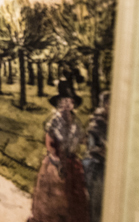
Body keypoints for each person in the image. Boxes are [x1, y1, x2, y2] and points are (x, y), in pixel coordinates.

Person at [28, 81, 89, 222]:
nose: (67, 104)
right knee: (55, 195)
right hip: (56, 161)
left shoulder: (76, 122)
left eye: (70, 101)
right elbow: (49, 140)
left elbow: (81, 138)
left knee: (75, 195)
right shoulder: (55, 120)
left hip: (72, 162)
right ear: (59, 103)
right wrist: (54, 157)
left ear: (73, 104)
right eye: (64, 101)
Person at [83, 91, 110, 222]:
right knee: (96, 204)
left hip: (109, 167)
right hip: (96, 167)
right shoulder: (96, 123)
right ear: (105, 104)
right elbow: (91, 147)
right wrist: (105, 150)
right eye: (110, 103)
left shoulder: (115, 121)